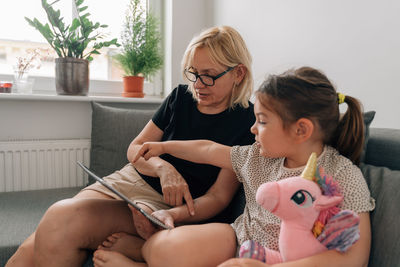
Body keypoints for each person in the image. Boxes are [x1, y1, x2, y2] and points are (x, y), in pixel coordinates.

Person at [5, 25, 256, 267]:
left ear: (238, 73)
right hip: (128, 181)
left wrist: (174, 214)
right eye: (193, 72)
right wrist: (162, 168)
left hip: (170, 205)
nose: (198, 84)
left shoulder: (249, 122)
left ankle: (139, 244)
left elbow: (218, 197)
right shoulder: (180, 98)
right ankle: (136, 245)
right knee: (32, 245)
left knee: (62, 218)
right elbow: (136, 148)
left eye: (209, 75)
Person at [102, 66, 374, 267]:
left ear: (301, 129)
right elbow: (208, 150)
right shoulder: (257, 156)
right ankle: (145, 255)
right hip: (241, 239)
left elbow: (354, 257)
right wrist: (164, 147)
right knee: (163, 248)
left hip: (289, 261)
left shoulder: (341, 174)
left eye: (263, 121)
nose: (253, 128)